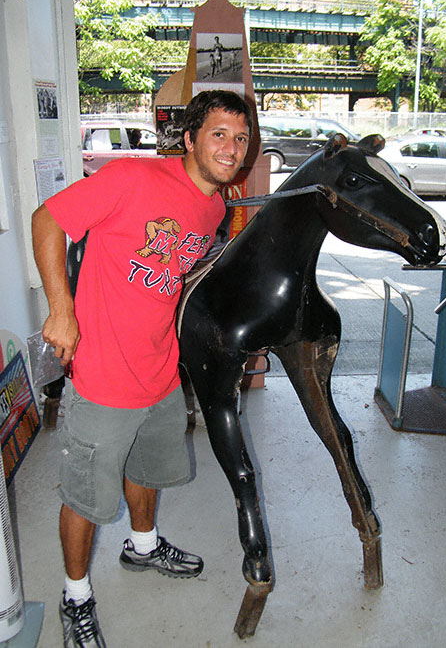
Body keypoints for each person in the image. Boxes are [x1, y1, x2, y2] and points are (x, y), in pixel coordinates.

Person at [31, 90, 252, 647]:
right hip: (104, 373)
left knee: (147, 468)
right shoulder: (133, 178)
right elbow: (47, 220)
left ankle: (144, 546)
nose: (231, 147)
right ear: (190, 138)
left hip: (159, 371)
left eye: (241, 138)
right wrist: (61, 308)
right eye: (219, 134)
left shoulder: (215, 207)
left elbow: (176, 279)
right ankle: (74, 596)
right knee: (84, 494)